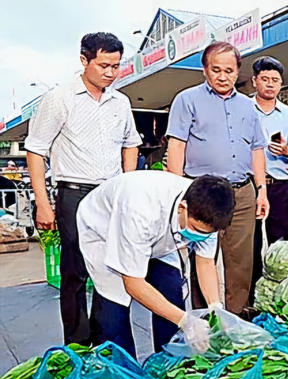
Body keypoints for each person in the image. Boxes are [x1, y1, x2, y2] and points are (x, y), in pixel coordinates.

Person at [25, 32, 141, 346]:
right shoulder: (60, 98)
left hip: (112, 195)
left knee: (112, 269)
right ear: (83, 60)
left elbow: (131, 144)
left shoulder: (121, 101)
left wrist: (127, 182)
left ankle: (106, 340)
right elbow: (36, 151)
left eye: (116, 66)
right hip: (74, 193)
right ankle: (77, 344)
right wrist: (43, 203)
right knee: (76, 273)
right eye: (104, 65)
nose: (111, 72)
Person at [77, 171, 234, 357]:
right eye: (196, 230)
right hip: (105, 231)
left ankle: (168, 361)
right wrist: (185, 321)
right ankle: (122, 370)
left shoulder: (210, 212)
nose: (200, 235)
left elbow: (206, 263)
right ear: (182, 208)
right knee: (114, 306)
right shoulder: (140, 209)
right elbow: (133, 284)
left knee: (171, 289)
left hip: (161, 235)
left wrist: (216, 307)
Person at [166, 41, 269, 315]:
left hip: (242, 193)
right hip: (202, 193)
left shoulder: (248, 107)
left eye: (229, 71)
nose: (222, 77)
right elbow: (176, 146)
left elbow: (257, 149)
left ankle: (235, 319)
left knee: (241, 262)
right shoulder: (187, 100)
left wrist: (262, 190)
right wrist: (176, 192)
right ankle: (206, 317)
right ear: (204, 70)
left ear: (238, 72)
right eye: (216, 70)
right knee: (203, 256)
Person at [250, 56, 288, 303]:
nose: (270, 85)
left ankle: (279, 295)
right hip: (249, 186)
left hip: (278, 186)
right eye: (265, 79)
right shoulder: (243, 109)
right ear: (254, 81)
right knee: (249, 245)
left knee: (280, 243)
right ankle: (251, 297)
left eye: (275, 80)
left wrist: (287, 151)